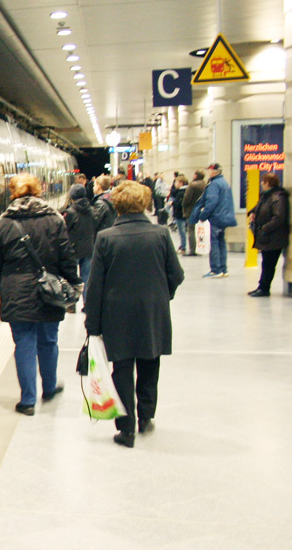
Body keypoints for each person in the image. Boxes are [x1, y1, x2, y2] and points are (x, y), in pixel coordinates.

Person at [85, 181, 185, 448]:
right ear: (144, 203)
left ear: (117, 205)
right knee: (150, 363)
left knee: (122, 369)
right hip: (153, 311)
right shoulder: (161, 234)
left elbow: (95, 287)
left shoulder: (105, 238)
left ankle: (126, 429)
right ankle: (146, 415)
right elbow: (177, 275)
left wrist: (92, 324)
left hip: (116, 315)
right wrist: (164, 295)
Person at [0, 174, 80, 416]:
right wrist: (74, 284)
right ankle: (49, 388)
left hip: (16, 290)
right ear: (39, 190)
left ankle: (28, 400)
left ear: (13, 193)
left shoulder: (5, 222)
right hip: (49, 289)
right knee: (48, 341)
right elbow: (66, 256)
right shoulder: (54, 219)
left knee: (24, 344)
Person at [189, 163, 237, 277]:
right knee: (221, 243)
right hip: (224, 217)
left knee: (214, 243)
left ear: (215, 172)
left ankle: (216, 269)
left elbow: (211, 202)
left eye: (210, 170)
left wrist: (202, 216)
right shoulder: (224, 183)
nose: (208, 173)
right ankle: (224, 268)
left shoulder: (214, 184)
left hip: (215, 218)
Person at [246, 172, 290, 297]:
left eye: (263, 181)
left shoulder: (277, 197)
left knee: (269, 264)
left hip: (273, 237)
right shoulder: (266, 196)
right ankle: (262, 286)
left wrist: (264, 229)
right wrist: (252, 213)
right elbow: (258, 207)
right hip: (266, 237)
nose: (261, 184)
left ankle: (264, 288)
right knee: (265, 263)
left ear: (268, 183)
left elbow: (278, 217)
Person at [61, 184, 95, 313]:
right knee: (86, 278)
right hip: (88, 249)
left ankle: (71, 305)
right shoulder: (92, 210)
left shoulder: (70, 212)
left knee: (71, 278)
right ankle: (87, 305)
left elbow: (65, 230)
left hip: (73, 250)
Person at [181, 169, 206, 255]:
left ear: (195, 175)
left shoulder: (192, 185)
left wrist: (183, 205)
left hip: (191, 210)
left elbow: (187, 198)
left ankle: (193, 250)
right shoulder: (205, 184)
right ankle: (201, 248)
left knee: (191, 230)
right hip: (202, 210)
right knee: (200, 230)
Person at [169, 174, 188, 252]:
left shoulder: (181, 193)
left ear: (181, 183)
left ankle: (183, 246)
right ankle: (182, 245)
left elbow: (179, 204)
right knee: (181, 231)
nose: (175, 184)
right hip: (182, 214)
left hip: (180, 214)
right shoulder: (183, 191)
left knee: (181, 231)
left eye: (176, 182)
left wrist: (172, 203)